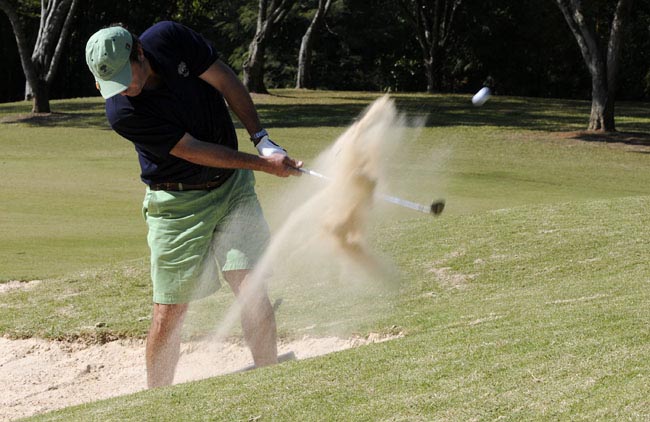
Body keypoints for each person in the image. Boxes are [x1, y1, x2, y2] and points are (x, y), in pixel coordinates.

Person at [84, 21, 302, 388]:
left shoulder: (170, 38)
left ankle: (270, 385)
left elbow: (225, 80)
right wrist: (263, 164)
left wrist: (261, 138)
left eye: (127, 76)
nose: (125, 88)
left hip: (233, 189)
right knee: (170, 312)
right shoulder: (121, 112)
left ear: (140, 53)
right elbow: (193, 151)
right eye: (113, 83)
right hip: (177, 203)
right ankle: (158, 401)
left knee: (251, 288)